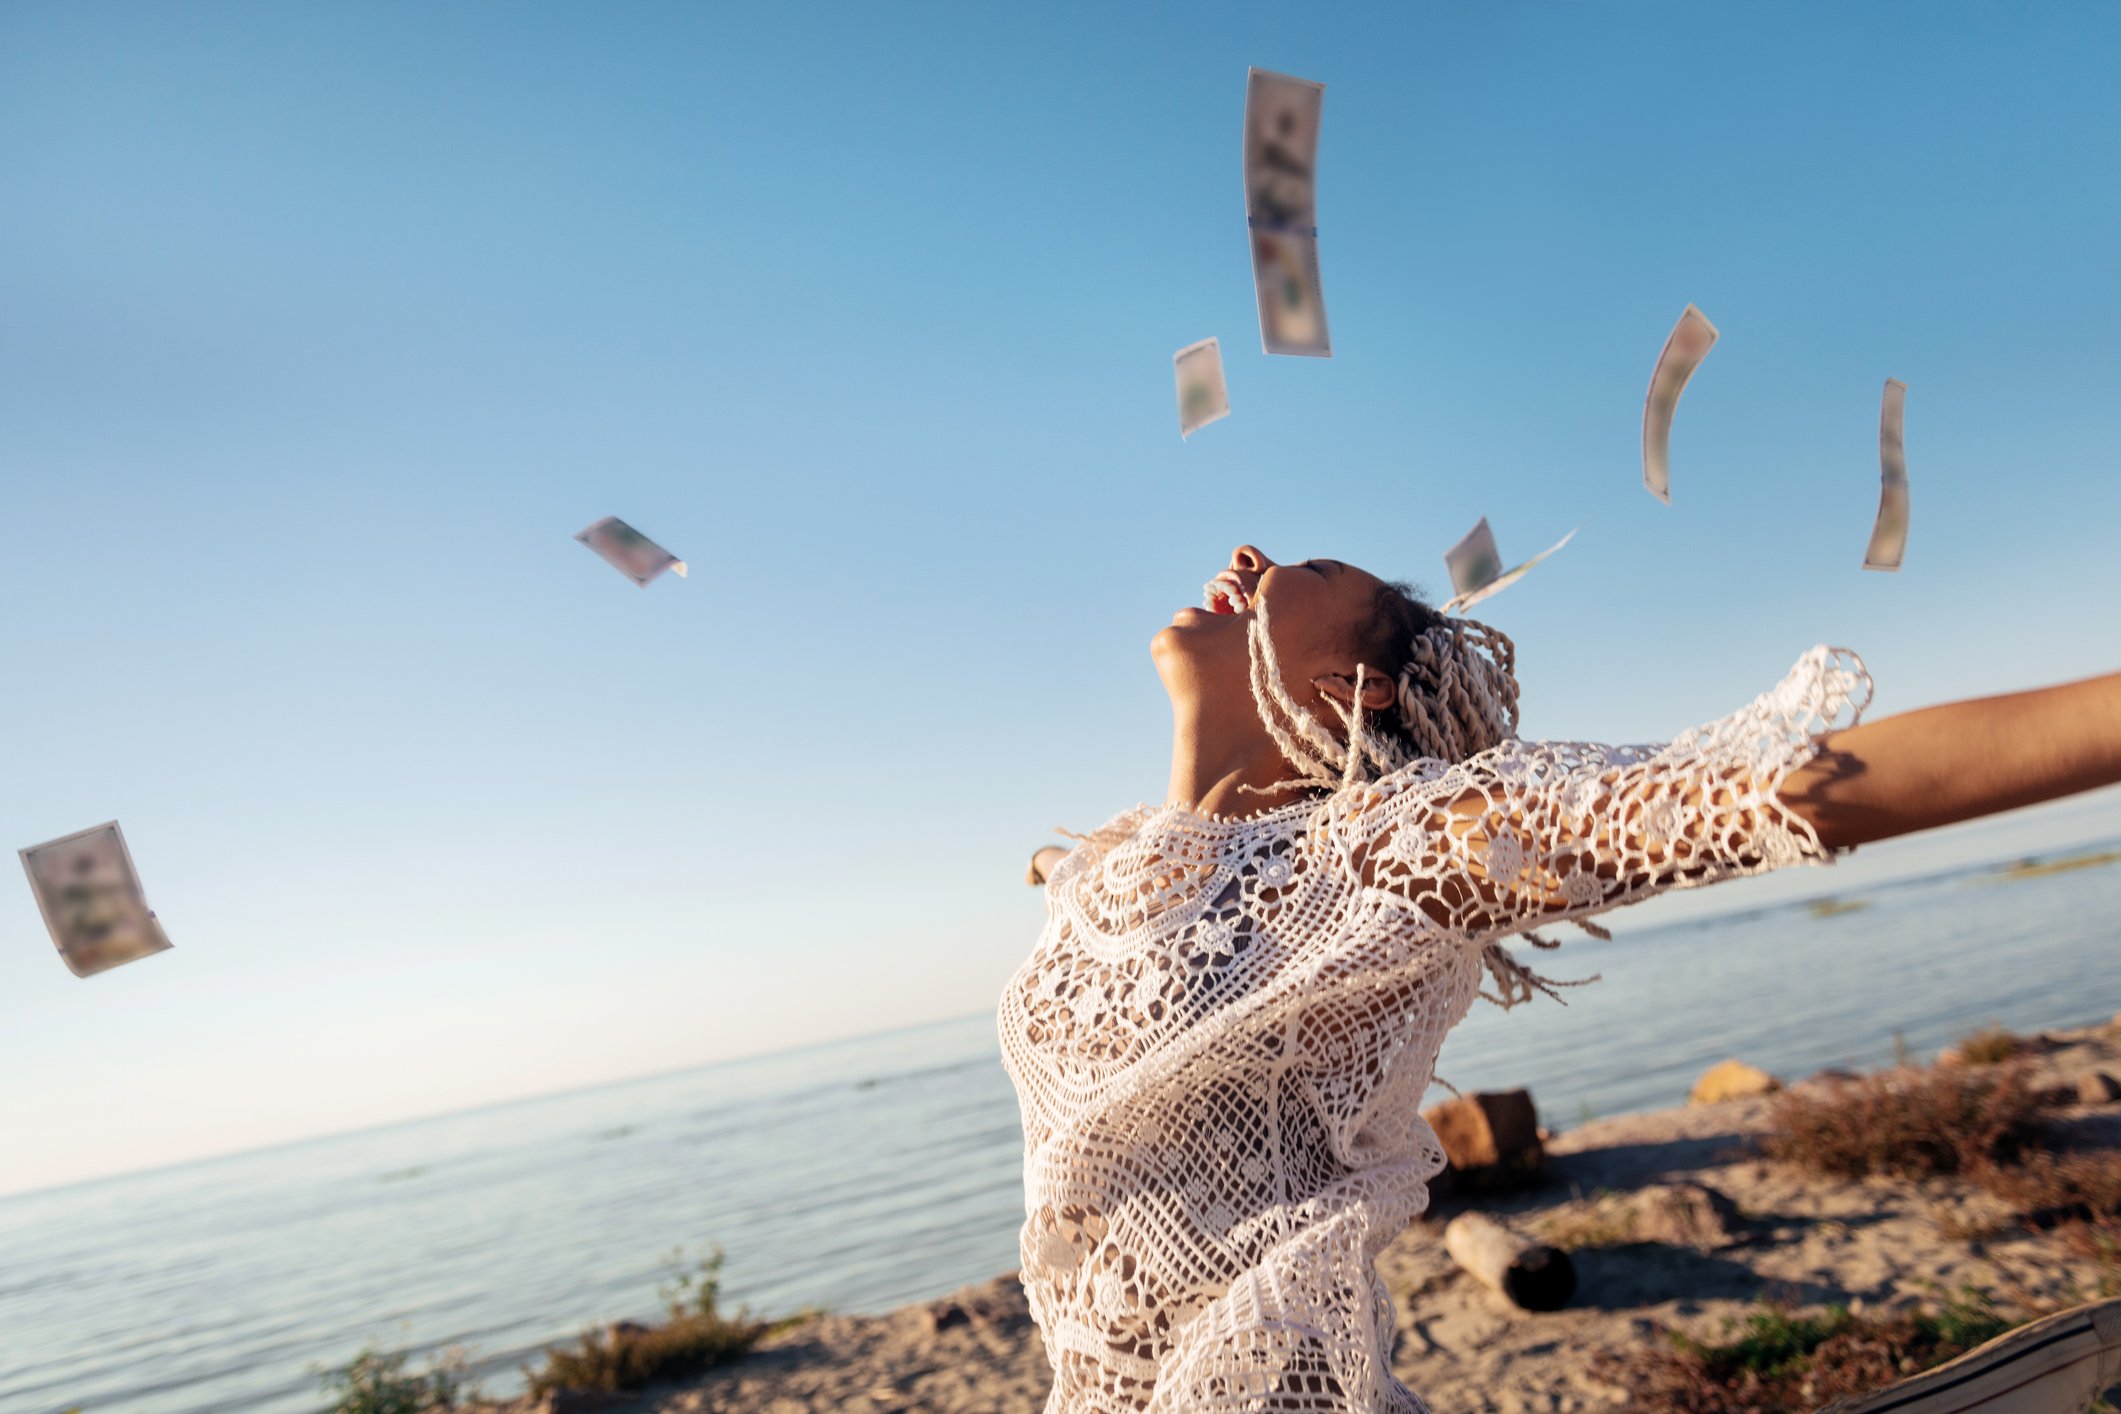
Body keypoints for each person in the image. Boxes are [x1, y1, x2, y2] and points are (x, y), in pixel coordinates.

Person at [1000, 544, 2121, 1414]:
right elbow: (1075, 882)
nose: (1247, 556)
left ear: (1357, 685)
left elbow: (1768, 794)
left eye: (1318, 566)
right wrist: (1063, 868)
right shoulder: (1113, 864)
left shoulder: (1381, 854)